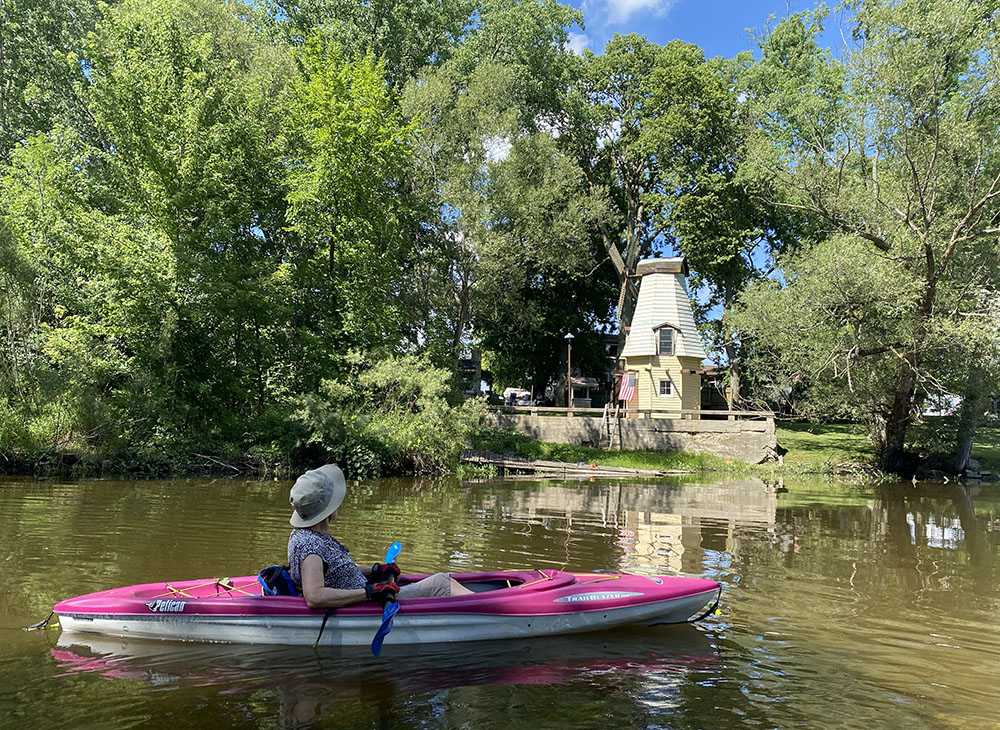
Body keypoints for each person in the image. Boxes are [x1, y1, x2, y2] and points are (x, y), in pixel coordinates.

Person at [287, 464, 473, 609]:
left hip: (365, 594)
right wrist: (370, 592)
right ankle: (491, 605)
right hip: (366, 603)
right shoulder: (310, 546)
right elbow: (315, 597)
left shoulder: (308, 534)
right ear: (327, 511)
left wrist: (374, 570)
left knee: (440, 582)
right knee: (441, 583)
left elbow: (336, 569)